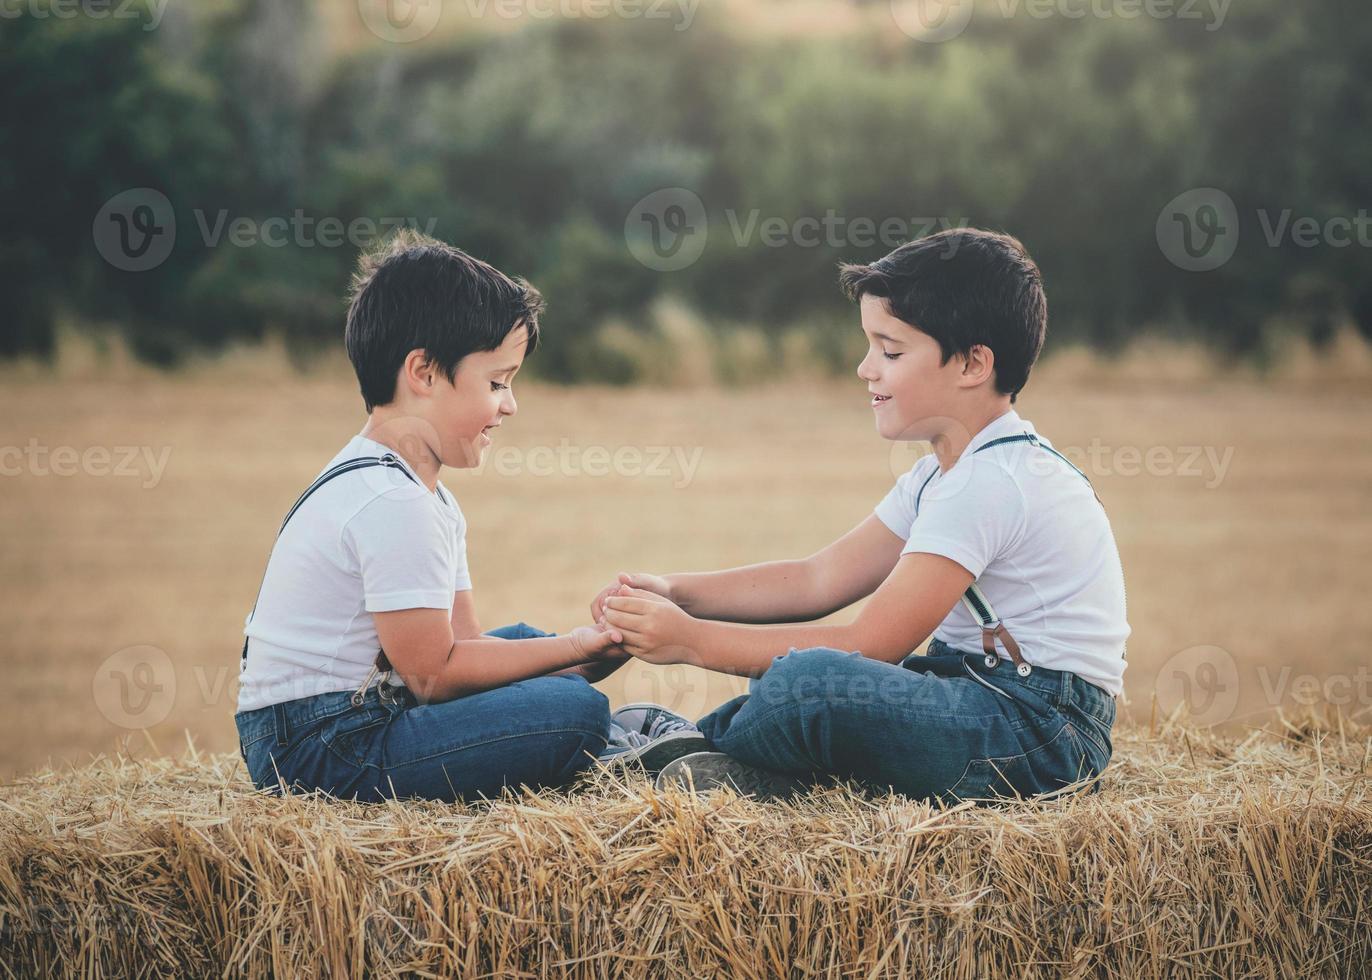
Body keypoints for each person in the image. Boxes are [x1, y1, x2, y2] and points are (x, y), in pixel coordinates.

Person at [595, 228, 1129, 805]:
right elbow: (818, 578)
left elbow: (870, 643)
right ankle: (708, 753)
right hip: (978, 693)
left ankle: (696, 754)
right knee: (793, 673)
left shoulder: (992, 482)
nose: (865, 368)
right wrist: (677, 593)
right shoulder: (941, 475)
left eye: (890, 351)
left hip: (1044, 731)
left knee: (807, 681)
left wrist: (693, 642)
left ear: (974, 363)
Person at [234, 231, 637, 803]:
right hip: (320, 745)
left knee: (524, 645)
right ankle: (624, 749)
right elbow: (435, 677)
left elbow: (464, 645)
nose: (510, 405)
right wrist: (573, 649)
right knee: (575, 713)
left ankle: (625, 741)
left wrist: (597, 647)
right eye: (497, 382)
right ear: (423, 373)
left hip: (350, 717)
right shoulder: (391, 501)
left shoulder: (420, 492)